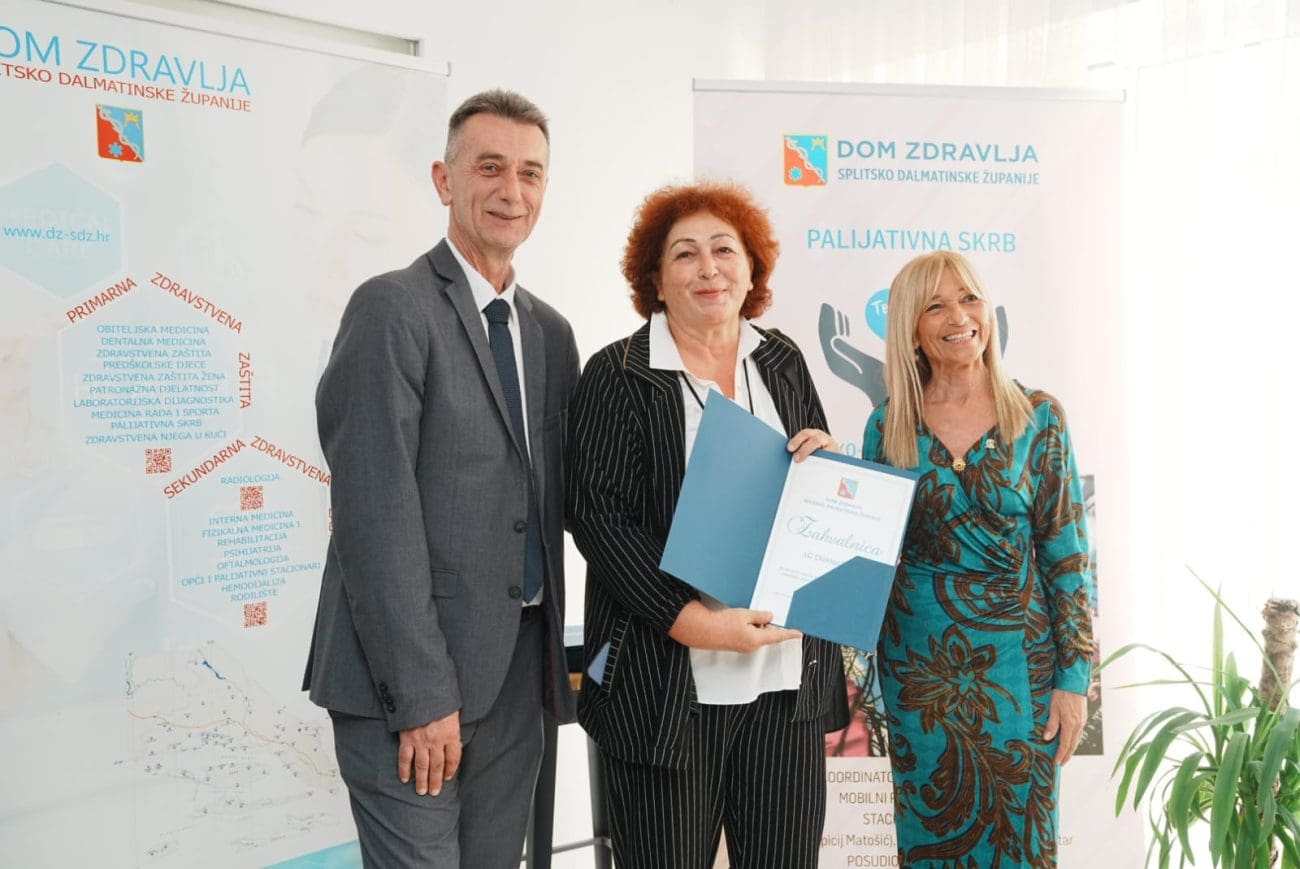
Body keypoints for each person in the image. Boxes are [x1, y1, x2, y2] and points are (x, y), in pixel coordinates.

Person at [302, 89, 580, 869]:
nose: (511, 190)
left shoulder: (551, 334)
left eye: (530, 172)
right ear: (443, 179)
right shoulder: (392, 308)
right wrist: (423, 697)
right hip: (410, 688)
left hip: (517, 679)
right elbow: (375, 518)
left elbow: (575, 494)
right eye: (489, 167)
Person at [566, 181, 849, 869]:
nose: (708, 268)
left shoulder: (782, 359)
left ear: (751, 271)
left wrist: (826, 460)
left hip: (784, 682)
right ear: (656, 280)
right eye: (685, 254)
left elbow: (809, 485)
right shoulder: (617, 373)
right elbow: (597, 519)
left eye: (724, 250)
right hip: (665, 687)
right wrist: (693, 621)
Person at [862, 250, 1094, 866]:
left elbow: (1068, 557)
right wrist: (822, 468)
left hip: (1021, 670)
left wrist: (1074, 681)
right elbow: (866, 552)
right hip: (919, 677)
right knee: (931, 839)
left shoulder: (1040, 416)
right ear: (911, 328)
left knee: (1022, 843)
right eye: (935, 306)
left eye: (969, 298)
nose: (959, 317)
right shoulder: (886, 426)